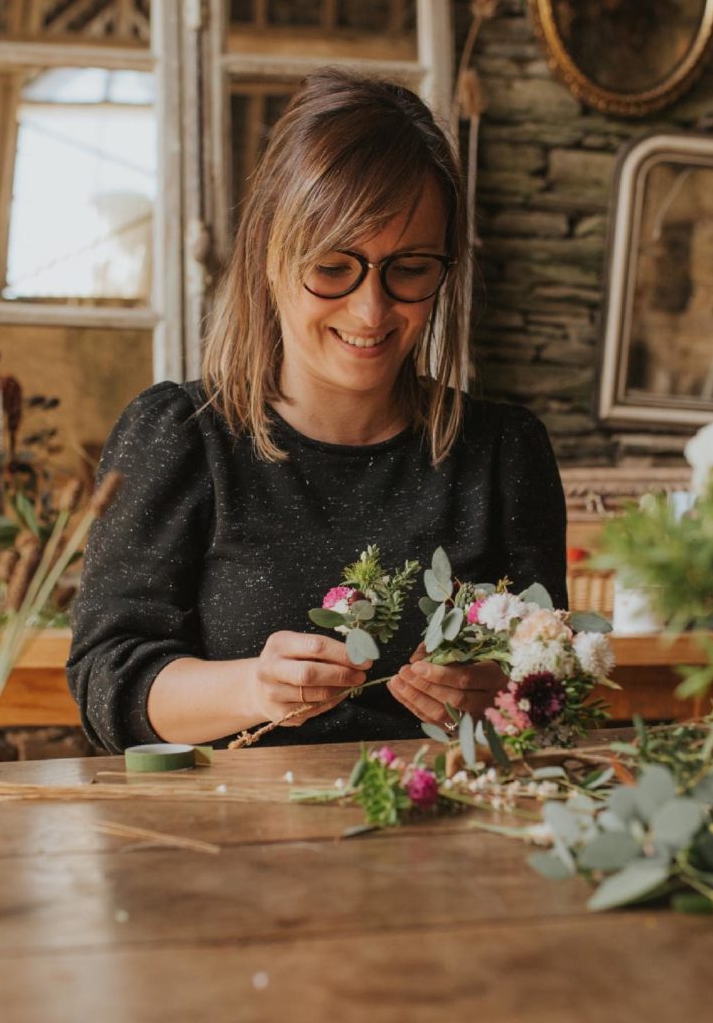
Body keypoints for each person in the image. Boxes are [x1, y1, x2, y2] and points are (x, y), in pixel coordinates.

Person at [66, 69, 566, 752]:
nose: (372, 310)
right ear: (270, 254)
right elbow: (105, 685)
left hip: (455, 837)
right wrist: (252, 689)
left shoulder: (504, 454)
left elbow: (551, 686)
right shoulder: (181, 438)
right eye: (334, 267)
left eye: (411, 268)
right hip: (232, 845)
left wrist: (496, 694)